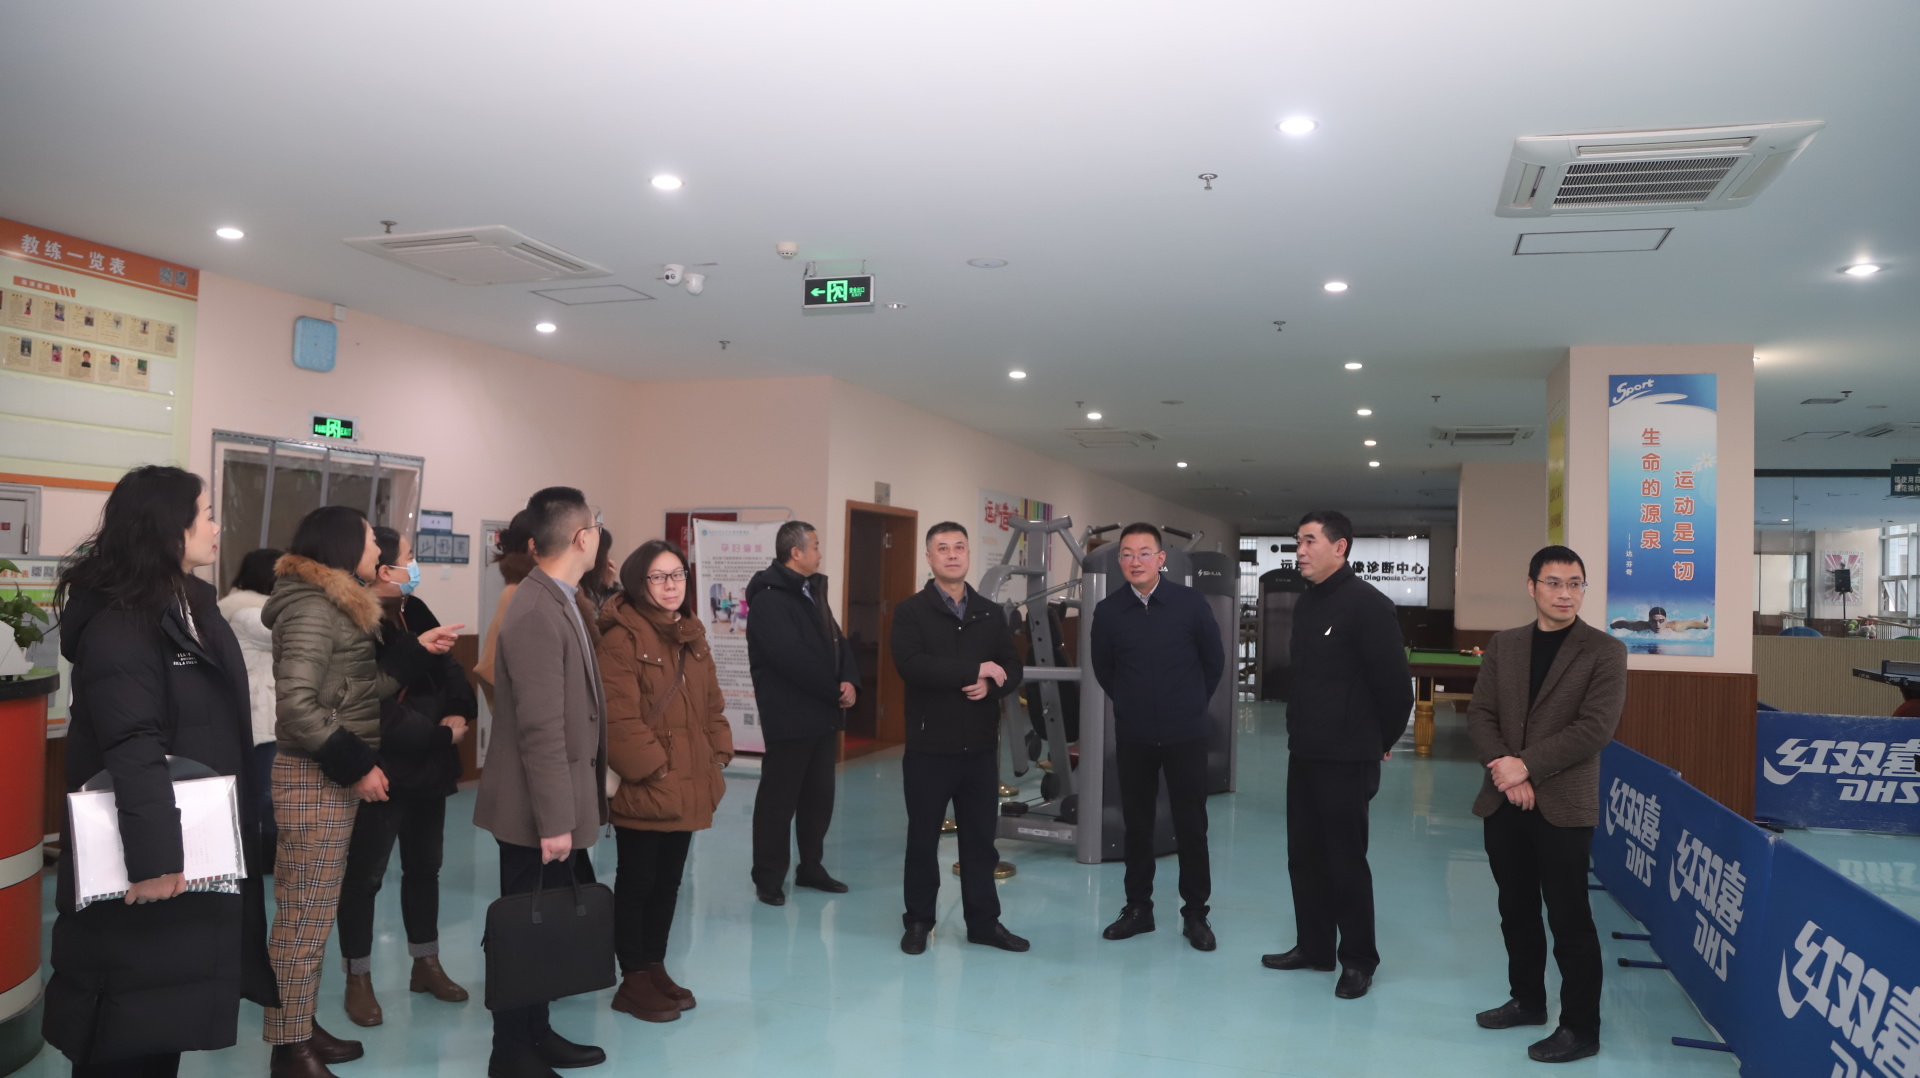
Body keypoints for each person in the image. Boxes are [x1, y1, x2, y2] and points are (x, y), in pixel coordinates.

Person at [45, 466, 277, 1078]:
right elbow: (132, 744)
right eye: (206, 513)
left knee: (160, 1016)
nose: (216, 526)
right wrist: (155, 860)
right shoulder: (123, 620)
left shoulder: (188, 604)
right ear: (169, 526)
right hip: (149, 857)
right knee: (125, 1024)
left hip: (188, 848)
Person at [261, 506, 460, 1078]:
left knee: (312, 915)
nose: (380, 550)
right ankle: (290, 1050)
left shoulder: (334, 603)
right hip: (314, 776)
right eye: (373, 541)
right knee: (302, 919)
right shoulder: (312, 608)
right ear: (345, 546)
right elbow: (297, 705)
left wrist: (418, 650)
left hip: (326, 774)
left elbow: (359, 688)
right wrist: (356, 766)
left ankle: (299, 1027)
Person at [472, 487, 611, 1078]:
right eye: (596, 526)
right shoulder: (534, 610)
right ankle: (510, 1052)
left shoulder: (561, 598)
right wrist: (556, 821)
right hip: (535, 809)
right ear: (581, 537)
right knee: (523, 932)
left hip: (556, 801)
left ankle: (537, 1032)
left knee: (544, 926)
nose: (598, 535)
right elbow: (540, 728)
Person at [1468, 546, 1626, 1064]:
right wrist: (1505, 769)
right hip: (1504, 800)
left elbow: (1594, 729)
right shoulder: (1505, 644)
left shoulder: (1605, 651)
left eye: (1575, 584)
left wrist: (1526, 766)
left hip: (1563, 804)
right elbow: (1481, 714)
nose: (1565, 593)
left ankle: (1580, 1028)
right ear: (1531, 586)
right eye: (1554, 583)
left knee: (1569, 917)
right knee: (1515, 908)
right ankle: (1527, 1001)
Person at [1263, 509, 1412, 1000]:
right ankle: (1314, 948)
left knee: (1345, 860)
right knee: (1303, 857)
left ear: (1340, 546)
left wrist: (1380, 742)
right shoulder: (1307, 604)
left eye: (1309, 541)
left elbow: (1396, 689)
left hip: (1347, 757)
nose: (1299, 551)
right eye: (1298, 541)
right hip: (1304, 751)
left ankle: (1358, 960)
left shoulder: (1368, 605)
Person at [335, 527, 474, 1026]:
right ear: (382, 568)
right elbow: (370, 704)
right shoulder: (358, 618)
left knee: (425, 869)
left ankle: (425, 963)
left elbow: (452, 670)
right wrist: (437, 735)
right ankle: (358, 978)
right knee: (365, 878)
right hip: (382, 768)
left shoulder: (415, 609)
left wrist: (459, 712)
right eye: (407, 558)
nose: (414, 567)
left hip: (430, 769)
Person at [597, 540, 733, 1022]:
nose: (671, 585)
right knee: (638, 881)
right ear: (639, 582)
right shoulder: (621, 638)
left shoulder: (691, 633)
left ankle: (654, 966)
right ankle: (632, 977)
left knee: (670, 883)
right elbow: (618, 719)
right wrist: (656, 768)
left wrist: (718, 754)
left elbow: (712, 704)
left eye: (678, 575)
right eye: (659, 577)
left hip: (690, 779)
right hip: (648, 782)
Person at [890, 522, 1028, 954]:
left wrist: (992, 685)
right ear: (929, 558)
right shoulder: (911, 612)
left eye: (959, 547)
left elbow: (1012, 667)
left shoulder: (989, 612)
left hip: (980, 749)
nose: (952, 554)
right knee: (922, 840)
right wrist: (973, 670)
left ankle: (984, 924)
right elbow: (911, 664)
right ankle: (918, 922)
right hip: (929, 748)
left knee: (980, 842)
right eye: (943, 548)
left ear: (969, 555)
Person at [1089, 523, 1226, 952]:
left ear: (1161, 559)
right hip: (1135, 736)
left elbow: (1214, 661)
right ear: (1120, 560)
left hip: (1186, 734)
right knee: (1137, 825)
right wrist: (1133, 704)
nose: (1136, 561)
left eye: (1144, 553)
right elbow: (1104, 669)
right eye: (1127, 554)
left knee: (1192, 826)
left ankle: (1196, 914)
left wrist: (1189, 704)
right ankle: (1138, 909)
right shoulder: (1109, 612)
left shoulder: (1190, 603)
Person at [744, 520, 860, 905]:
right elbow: (790, 658)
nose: (820, 553)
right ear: (796, 553)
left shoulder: (812, 591)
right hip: (789, 717)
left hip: (822, 715)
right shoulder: (769, 600)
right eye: (815, 546)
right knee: (779, 802)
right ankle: (768, 877)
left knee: (818, 798)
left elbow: (838, 640)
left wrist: (849, 679)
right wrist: (833, 689)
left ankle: (811, 867)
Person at [219, 547, 285, 863]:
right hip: (259, 716)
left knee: (265, 790)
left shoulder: (248, 608)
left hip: (265, 714)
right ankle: (259, 855)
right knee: (263, 792)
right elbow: (285, 634)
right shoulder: (247, 613)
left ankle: (262, 853)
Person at [474, 511, 537, 708]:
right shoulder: (518, 592)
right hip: (528, 713)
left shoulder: (529, 589)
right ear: (534, 546)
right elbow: (491, 669)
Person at [579, 527, 620, 617]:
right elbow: (604, 621)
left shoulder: (594, 588)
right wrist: (609, 590)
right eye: (606, 553)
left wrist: (608, 586)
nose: (608, 559)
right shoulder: (581, 593)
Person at [1607, 607, 1709, 633]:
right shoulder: (1639, 626)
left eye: (1661, 621)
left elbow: (1692, 623)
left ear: (1666, 620)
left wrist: (1705, 625)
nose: (1657, 625)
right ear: (1649, 621)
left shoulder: (1675, 626)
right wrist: (1613, 625)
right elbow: (1622, 624)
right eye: (1653, 621)